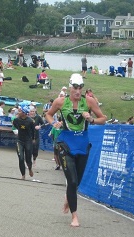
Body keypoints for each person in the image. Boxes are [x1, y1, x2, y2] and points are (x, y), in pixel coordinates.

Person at [45, 73, 106, 227]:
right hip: (66, 143)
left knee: (77, 181)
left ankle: (68, 197)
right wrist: (53, 123)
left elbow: (103, 119)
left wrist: (91, 119)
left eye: (80, 88)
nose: (78, 91)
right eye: (75, 87)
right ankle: (75, 217)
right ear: (70, 87)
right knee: (71, 180)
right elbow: (48, 114)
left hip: (83, 143)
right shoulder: (60, 102)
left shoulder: (89, 102)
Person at [12, 104, 35, 179]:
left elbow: (33, 131)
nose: (19, 112)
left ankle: (30, 168)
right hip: (20, 140)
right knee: (21, 157)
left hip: (28, 141)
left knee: (28, 158)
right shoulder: (17, 119)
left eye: (20, 111)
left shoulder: (30, 121)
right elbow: (15, 125)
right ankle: (23, 175)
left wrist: (33, 139)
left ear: (24, 113)